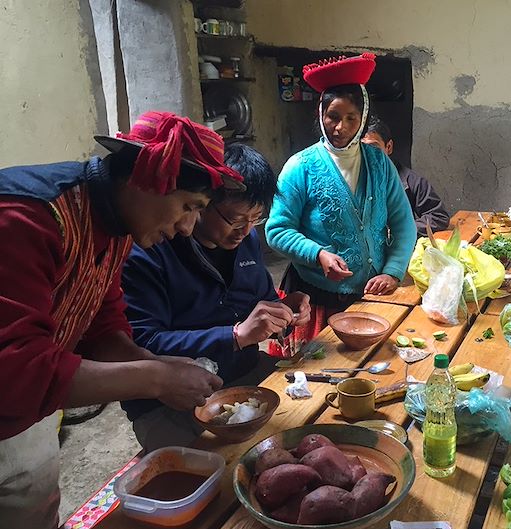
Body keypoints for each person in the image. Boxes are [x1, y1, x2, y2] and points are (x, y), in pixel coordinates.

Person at [0, 111, 240, 529]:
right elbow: (16, 370)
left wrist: (161, 366)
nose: (187, 228)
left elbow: (101, 328)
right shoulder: (28, 217)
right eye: (187, 207)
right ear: (146, 178)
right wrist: (154, 379)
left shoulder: (116, 229)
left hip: (26, 420)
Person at [120, 144, 311, 451]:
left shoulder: (246, 240)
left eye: (256, 219)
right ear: (201, 204)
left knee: (306, 423)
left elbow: (259, 300)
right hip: (170, 401)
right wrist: (234, 336)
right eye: (235, 219)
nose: (245, 231)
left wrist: (283, 310)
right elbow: (140, 344)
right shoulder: (150, 248)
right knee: (219, 476)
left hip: (242, 375)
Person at [266, 53, 417, 341]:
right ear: (320, 115)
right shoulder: (301, 167)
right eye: (333, 117)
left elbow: (403, 224)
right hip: (318, 300)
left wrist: (393, 271)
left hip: (373, 295)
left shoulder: (379, 163)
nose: (340, 127)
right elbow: (276, 230)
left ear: (363, 120)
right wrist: (318, 254)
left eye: (351, 118)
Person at [362, 117, 450, 236]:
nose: (368, 153)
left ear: (389, 147)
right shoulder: (349, 179)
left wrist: (401, 230)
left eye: (374, 147)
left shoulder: (410, 181)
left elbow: (438, 216)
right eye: (362, 147)